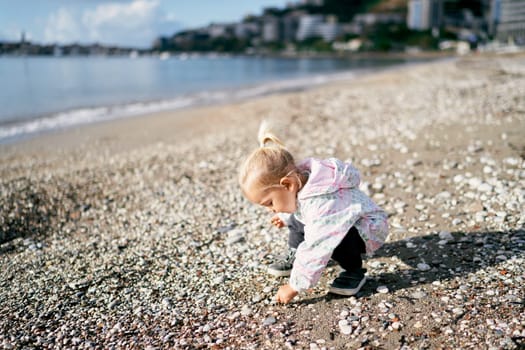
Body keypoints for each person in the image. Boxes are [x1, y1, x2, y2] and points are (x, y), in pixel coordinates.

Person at [238, 121, 388, 304]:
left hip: (367, 229)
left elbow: (317, 246)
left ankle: (354, 271)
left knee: (333, 238)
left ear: (288, 184)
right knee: (295, 217)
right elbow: (297, 203)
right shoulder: (303, 179)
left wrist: (294, 286)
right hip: (340, 220)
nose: (270, 209)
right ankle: (295, 253)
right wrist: (285, 217)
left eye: (269, 203)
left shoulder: (322, 204)